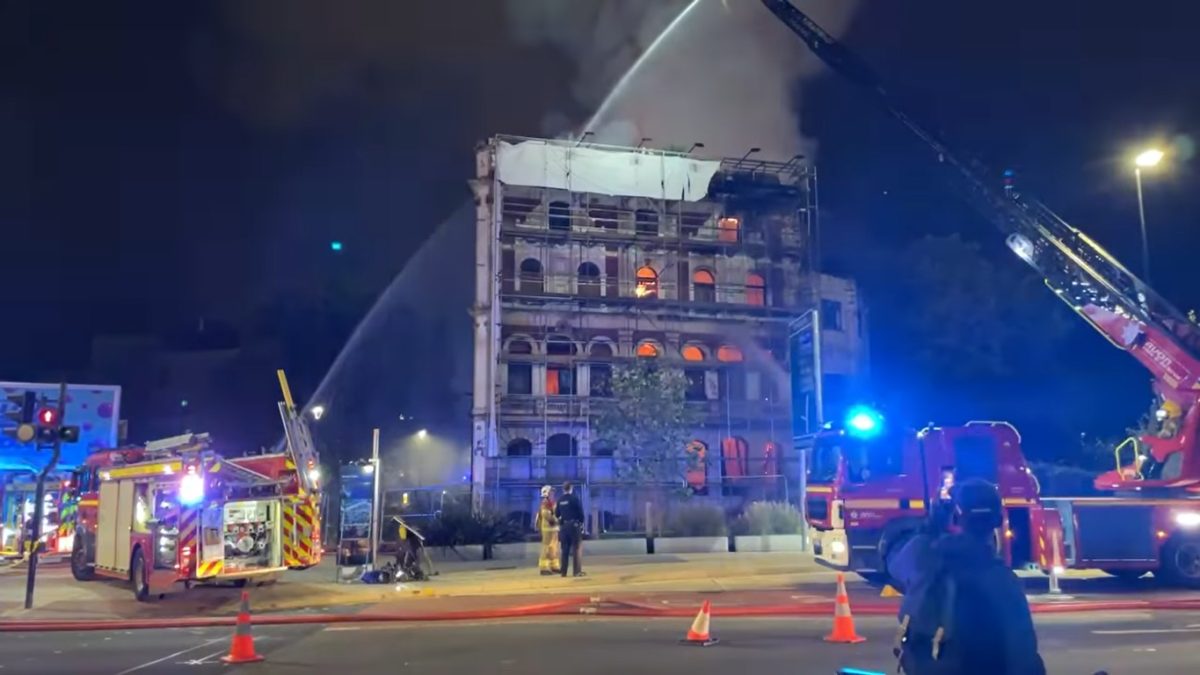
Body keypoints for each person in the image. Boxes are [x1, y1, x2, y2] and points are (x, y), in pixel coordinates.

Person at [888, 479, 1045, 675]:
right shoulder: (1003, 581)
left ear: (954, 517)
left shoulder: (925, 558)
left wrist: (930, 527)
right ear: (997, 521)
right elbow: (1023, 654)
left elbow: (894, 565)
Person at [554, 481, 585, 577]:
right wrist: (581, 522)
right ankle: (576, 572)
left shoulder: (560, 500)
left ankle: (563, 572)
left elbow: (557, 514)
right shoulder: (574, 499)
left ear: (563, 489)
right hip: (574, 526)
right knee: (576, 548)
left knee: (565, 549)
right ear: (571, 488)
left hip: (564, 527)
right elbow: (580, 512)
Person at [533, 485, 560, 575]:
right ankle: (544, 568)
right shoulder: (545, 503)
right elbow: (546, 515)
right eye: (551, 492)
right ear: (546, 493)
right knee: (546, 548)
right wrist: (557, 520)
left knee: (554, 549)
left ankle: (554, 566)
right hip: (548, 529)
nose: (553, 494)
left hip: (553, 529)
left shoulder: (551, 503)